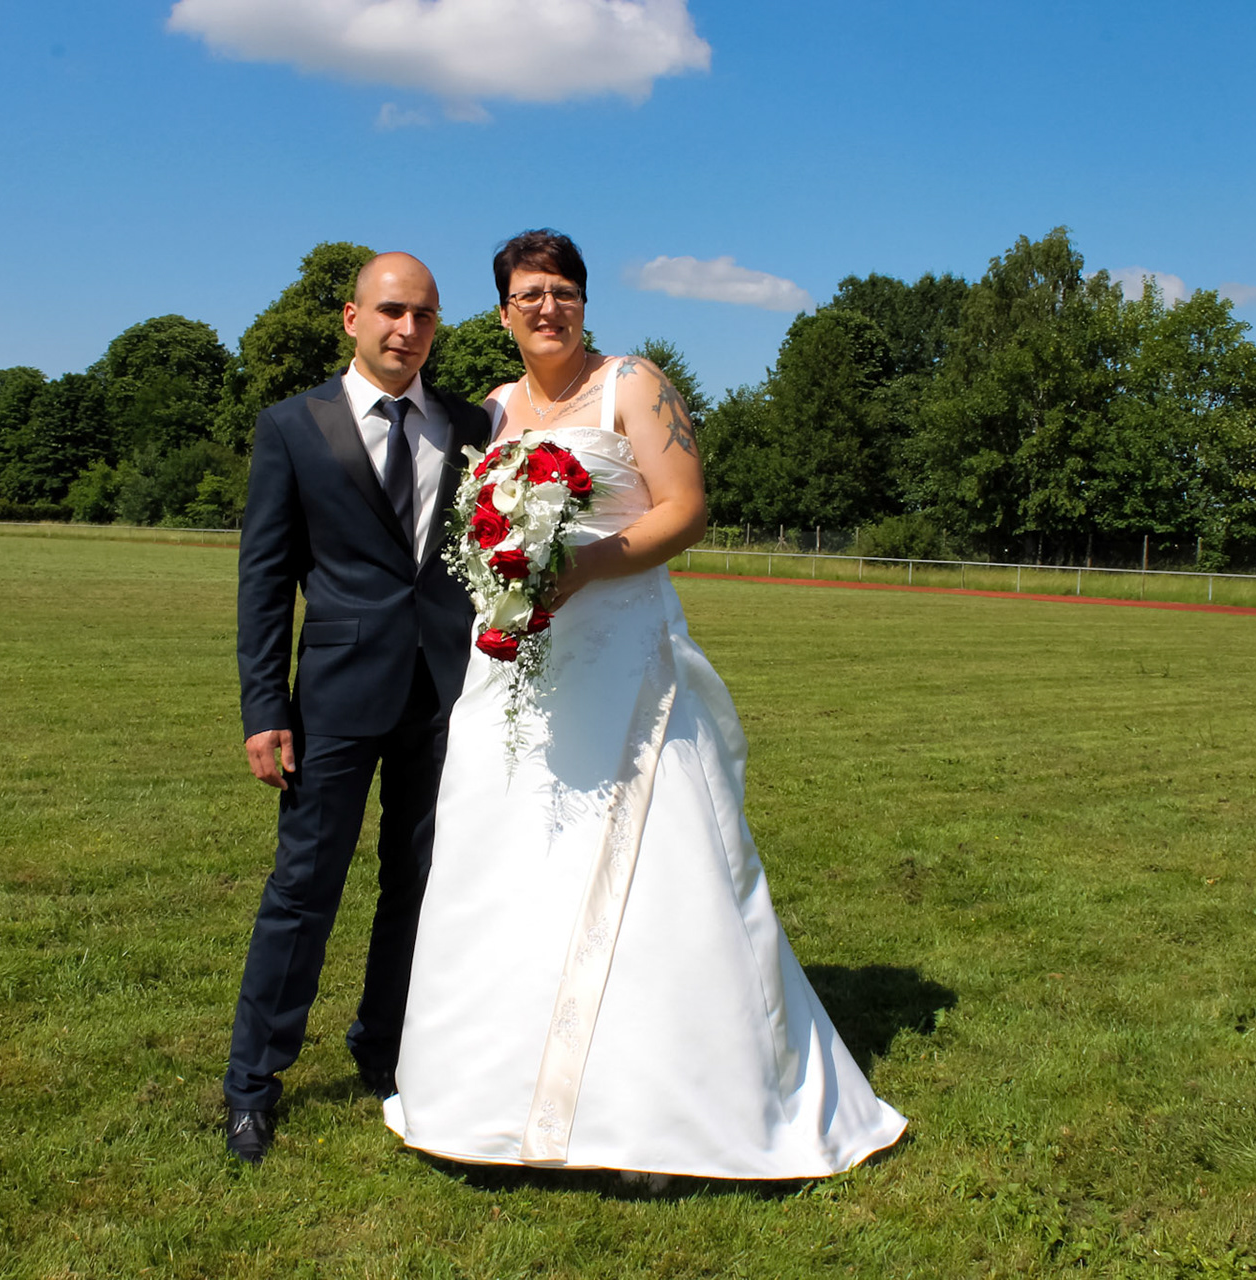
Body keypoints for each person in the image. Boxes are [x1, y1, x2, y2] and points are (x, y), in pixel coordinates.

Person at [384, 230, 906, 1178]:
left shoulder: (634, 383)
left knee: (662, 872)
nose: (549, 307)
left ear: (584, 303)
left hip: (622, 660)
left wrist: (587, 565)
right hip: (515, 668)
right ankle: (487, 1098)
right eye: (530, 294)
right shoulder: (492, 409)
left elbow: (685, 507)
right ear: (502, 314)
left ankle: (663, 1109)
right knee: (505, 865)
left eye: (565, 291)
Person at [225, 252, 491, 1166]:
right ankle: (253, 1083)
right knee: (304, 888)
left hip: (445, 696)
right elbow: (265, 581)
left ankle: (386, 1046)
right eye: (390, 311)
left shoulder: (469, 424)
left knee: (418, 884)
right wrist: (265, 707)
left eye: (424, 315)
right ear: (351, 318)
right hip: (334, 699)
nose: (407, 329)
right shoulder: (291, 427)